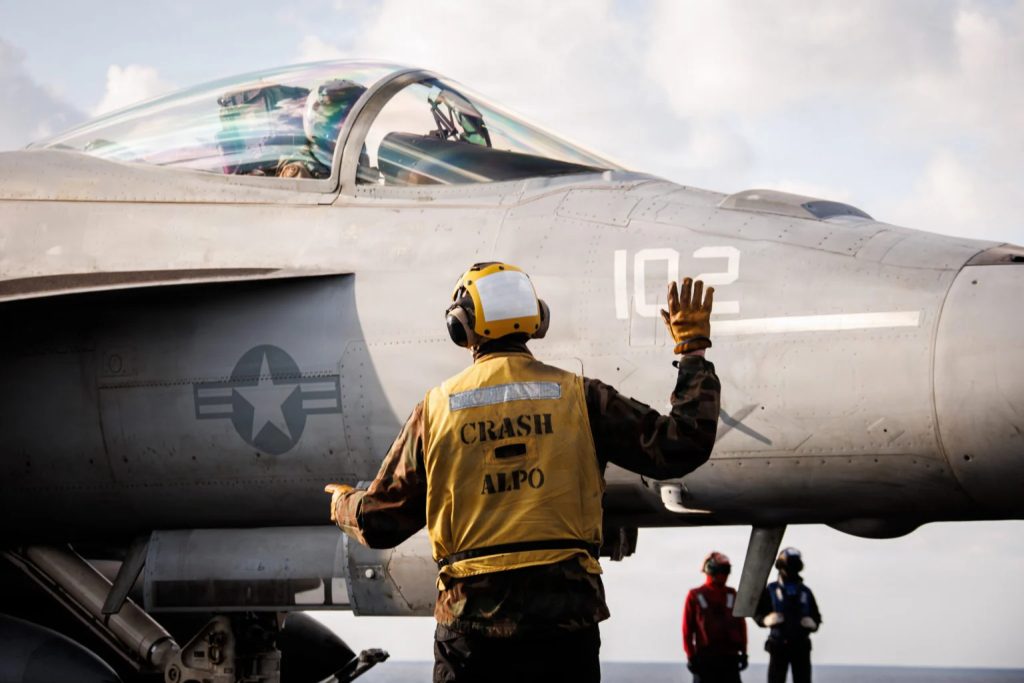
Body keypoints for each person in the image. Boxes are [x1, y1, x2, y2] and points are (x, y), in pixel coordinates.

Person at [325, 262, 721, 683]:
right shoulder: (581, 397)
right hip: (565, 627)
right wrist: (692, 350)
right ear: (537, 320)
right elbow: (680, 445)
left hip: (470, 631)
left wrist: (343, 504)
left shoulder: (436, 411)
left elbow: (379, 522)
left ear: (461, 326)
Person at [754, 548, 821, 683]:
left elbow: (816, 617)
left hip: (801, 646)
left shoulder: (805, 592)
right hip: (778, 645)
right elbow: (758, 613)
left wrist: (813, 624)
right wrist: (765, 620)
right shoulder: (771, 590)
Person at [682, 552, 748, 682]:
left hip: (730, 659)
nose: (725, 575)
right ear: (710, 570)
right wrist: (691, 656)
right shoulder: (695, 595)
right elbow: (687, 630)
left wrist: (744, 652)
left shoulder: (732, 594)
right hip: (705, 659)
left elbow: (741, 624)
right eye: (722, 570)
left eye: (727, 570)